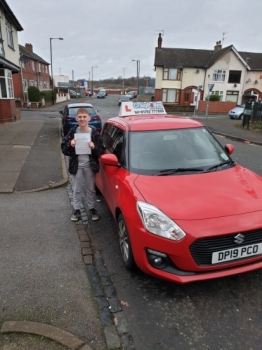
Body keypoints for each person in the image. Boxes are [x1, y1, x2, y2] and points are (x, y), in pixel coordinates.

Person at [61, 108, 105, 222]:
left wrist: (93, 147)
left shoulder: (94, 133)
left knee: (91, 189)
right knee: (77, 189)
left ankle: (92, 208)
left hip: (90, 166)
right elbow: (64, 149)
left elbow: (101, 150)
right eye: (80, 117)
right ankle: (76, 209)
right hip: (77, 166)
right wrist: (70, 144)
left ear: (88, 118)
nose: (82, 119)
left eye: (84, 117)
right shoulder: (73, 132)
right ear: (77, 119)